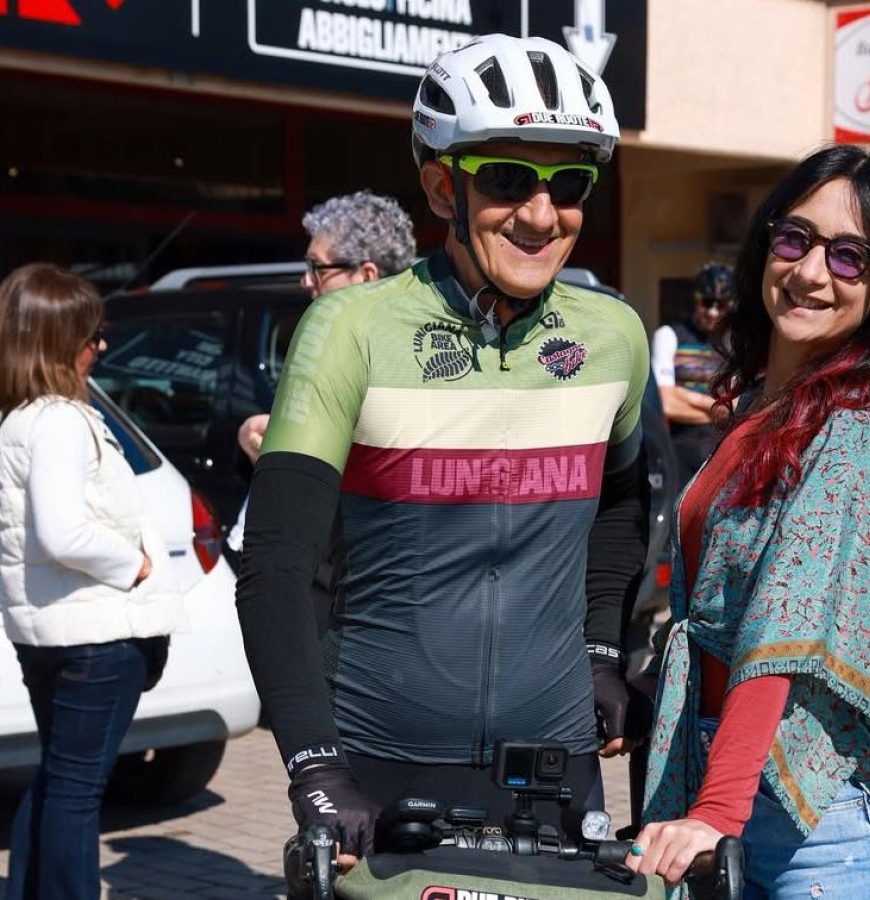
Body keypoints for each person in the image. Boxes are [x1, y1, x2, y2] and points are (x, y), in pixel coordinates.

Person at [236, 33, 651, 869]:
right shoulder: (350, 328)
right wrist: (313, 765)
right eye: (505, 180)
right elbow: (275, 566)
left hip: (557, 764)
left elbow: (621, 506)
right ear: (439, 186)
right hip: (380, 764)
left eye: (568, 185)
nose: (541, 215)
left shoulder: (614, 336)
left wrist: (603, 652)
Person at [627, 145, 870, 897]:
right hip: (726, 776)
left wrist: (717, 811)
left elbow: (780, 633)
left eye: (849, 256)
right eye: (794, 238)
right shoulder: (760, 415)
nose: (807, 272)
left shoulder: (860, 435)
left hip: (817, 820)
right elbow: (717, 615)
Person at [0, 263, 182, 900]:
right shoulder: (60, 419)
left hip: (41, 630)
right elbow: (63, 534)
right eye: (94, 337)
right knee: (77, 791)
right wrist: (133, 563)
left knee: (60, 778)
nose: (101, 347)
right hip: (97, 629)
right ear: (59, 342)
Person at [223, 190, 417, 572]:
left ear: (366, 275)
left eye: (318, 267)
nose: (306, 281)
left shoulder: (400, 356)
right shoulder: (331, 342)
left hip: (346, 573)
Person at [651, 263, 734, 473]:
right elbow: (665, 404)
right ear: (696, 299)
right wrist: (718, 409)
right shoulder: (669, 335)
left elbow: (742, 405)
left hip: (723, 455)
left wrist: (682, 396)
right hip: (678, 454)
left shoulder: (737, 342)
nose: (713, 312)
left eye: (721, 305)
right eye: (707, 302)